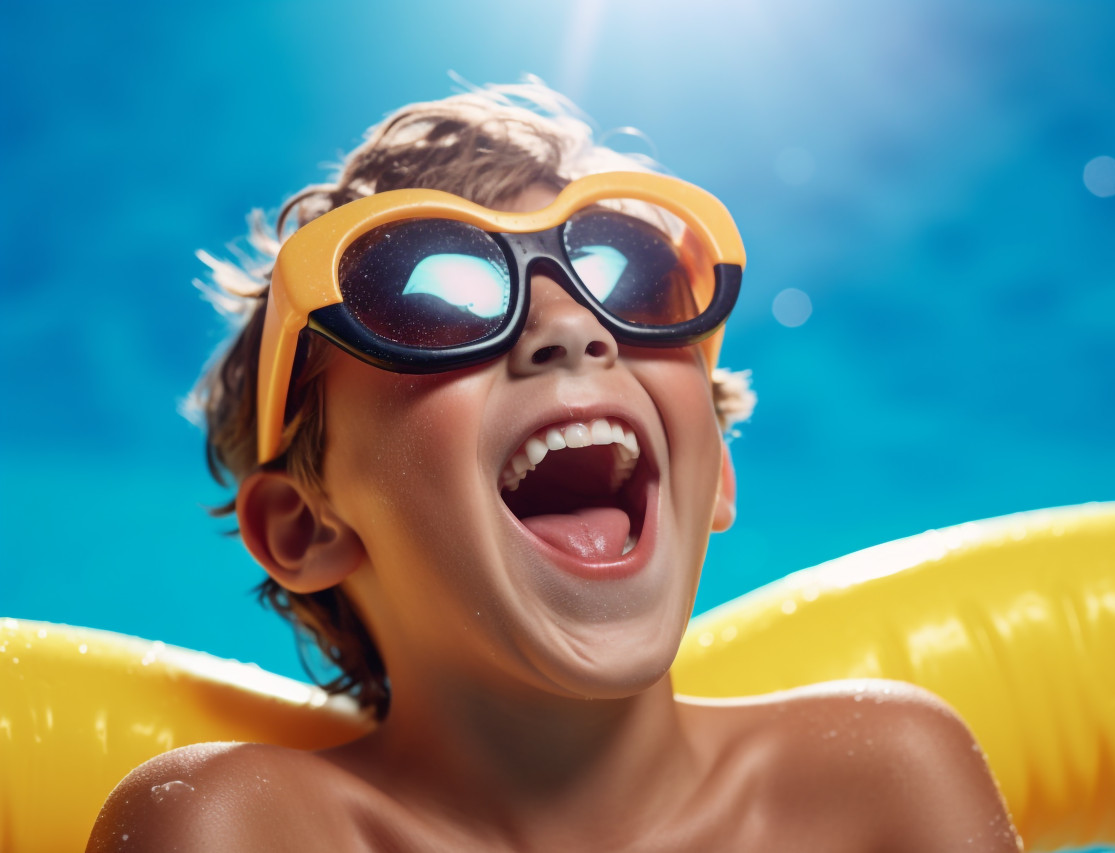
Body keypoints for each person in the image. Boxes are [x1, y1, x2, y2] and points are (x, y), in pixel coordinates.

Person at [88, 80, 1021, 852]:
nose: (572, 327)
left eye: (628, 278)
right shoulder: (241, 826)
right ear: (305, 527)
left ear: (716, 479)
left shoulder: (881, 781)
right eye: (437, 301)